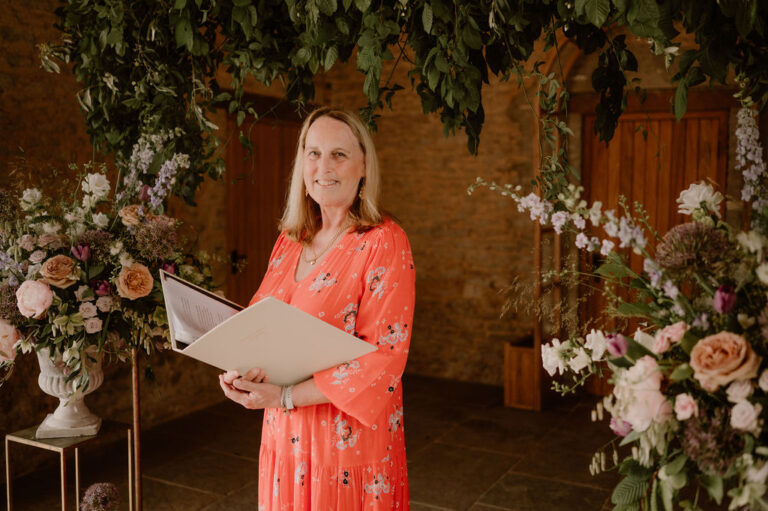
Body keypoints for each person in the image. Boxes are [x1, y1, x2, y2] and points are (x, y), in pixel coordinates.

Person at [218, 106, 415, 510]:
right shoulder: (291, 239)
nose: (323, 167)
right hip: (285, 439)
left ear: (364, 165)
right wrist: (238, 373)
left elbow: (384, 358)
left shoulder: (383, 241)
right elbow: (257, 326)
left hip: (344, 447)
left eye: (338, 154)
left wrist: (285, 396)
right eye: (313, 153)